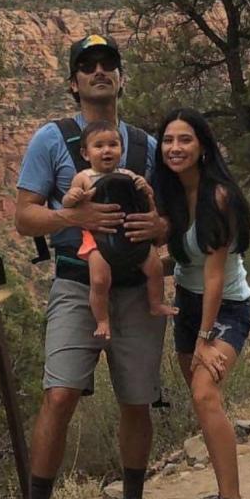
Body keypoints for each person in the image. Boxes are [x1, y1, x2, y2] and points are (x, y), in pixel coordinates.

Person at [14, 33, 168, 499]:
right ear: (74, 82)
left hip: (135, 286)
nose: (99, 72)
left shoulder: (144, 144)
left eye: (108, 64)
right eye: (88, 66)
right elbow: (24, 217)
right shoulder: (51, 140)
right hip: (77, 283)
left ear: (120, 76)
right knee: (59, 393)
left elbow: (167, 216)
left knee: (136, 396)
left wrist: (159, 229)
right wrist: (74, 216)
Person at [153, 107, 250, 499]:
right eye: (168, 141)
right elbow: (179, 261)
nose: (175, 148)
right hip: (188, 305)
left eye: (185, 140)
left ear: (203, 147)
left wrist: (204, 338)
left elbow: (215, 277)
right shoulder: (173, 196)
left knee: (205, 392)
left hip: (225, 308)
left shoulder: (219, 198)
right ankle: (222, 494)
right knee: (201, 400)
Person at [61, 120, 177, 340]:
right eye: (99, 146)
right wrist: (74, 197)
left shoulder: (130, 174)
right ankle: (103, 320)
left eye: (113, 145)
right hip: (97, 238)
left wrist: (145, 187)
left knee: (154, 266)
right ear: (86, 153)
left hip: (129, 235)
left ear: (121, 150)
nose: (107, 150)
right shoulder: (84, 177)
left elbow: (147, 198)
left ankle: (155, 303)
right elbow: (69, 203)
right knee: (99, 280)